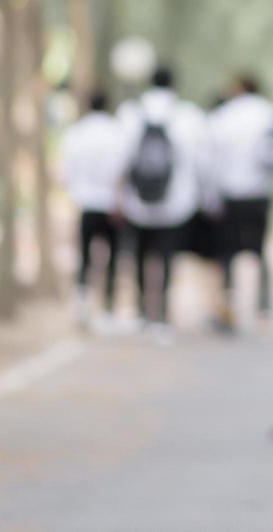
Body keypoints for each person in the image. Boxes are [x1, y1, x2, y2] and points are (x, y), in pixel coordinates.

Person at [118, 66, 209, 343]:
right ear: (174, 85)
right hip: (176, 204)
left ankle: (144, 312)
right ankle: (165, 316)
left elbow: (121, 158)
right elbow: (199, 160)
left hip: (137, 201)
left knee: (141, 255)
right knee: (167, 256)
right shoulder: (188, 115)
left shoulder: (129, 113)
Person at [208, 74, 273, 332]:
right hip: (260, 193)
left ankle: (228, 309)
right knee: (261, 251)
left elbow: (211, 158)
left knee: (228, 253)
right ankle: (264, 311)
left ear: (238, 88)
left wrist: (210, 196)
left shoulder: (223, 116)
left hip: (230, 193)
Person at [58, 90, 128, 329]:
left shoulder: (77, 133)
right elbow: (122, 170)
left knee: (84, 257)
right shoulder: (116, 132)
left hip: (86, 203)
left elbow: (66, 171)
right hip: (111, 204)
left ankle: (81, 305)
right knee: (111, 259)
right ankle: (107, 310)